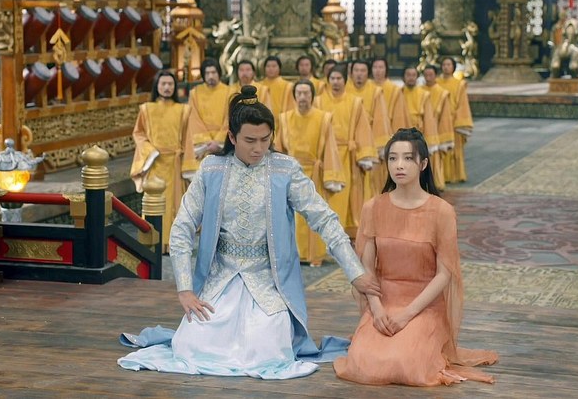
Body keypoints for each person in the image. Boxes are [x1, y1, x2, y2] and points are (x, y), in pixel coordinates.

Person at [119, 86, 381, 379]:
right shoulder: (212, 169)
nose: (258, 148)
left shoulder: (284, 170)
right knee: (193, 345)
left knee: (267, 349)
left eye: (265, 140)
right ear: (232, 137)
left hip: (268, 281)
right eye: (250, 140)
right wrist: (185, 290)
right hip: (221, 278)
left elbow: (325, 220)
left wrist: (355, 272)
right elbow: (181, 230)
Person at [334, 128, 498, 386]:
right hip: (384, 301)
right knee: (363, 362)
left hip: (424, 305)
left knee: (406, 362)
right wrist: (376, 309)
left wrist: (407, 314)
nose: (399, 165)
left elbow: (444, 274)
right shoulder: (373, 207)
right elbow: (367, 269)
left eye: (408, 158)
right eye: (393, 158)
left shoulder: (441, 211)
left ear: (423, 164)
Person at [275, 79, 345, 267]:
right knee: (292, 217)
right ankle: (294, 255)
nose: (302, 97)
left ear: (312, 96)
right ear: (294, 96)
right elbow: (279, 149)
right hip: (291, 175)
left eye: (306, 93)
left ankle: (316, 255)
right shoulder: (285, 118)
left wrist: (330, 177)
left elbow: (330, 148)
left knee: (314, 214)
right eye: (299, 93)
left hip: (314, 174)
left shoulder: (323, 118)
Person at [130, 70, 191, 251]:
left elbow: (188, 139)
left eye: (170, 84)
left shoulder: (183, 110)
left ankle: (173, 244)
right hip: (154, 163)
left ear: (175, 87)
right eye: (163, 84)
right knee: (154, 203)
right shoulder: (146, 109)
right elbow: (139, 134)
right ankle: (152, 243)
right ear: (156, 86)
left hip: (174, 163)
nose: (166, 87)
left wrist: (188, 165)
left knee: (174, 206)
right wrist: (150, 152)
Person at [315, 65, 377, 237]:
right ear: (328, 80)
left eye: (339, 78)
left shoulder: (355, 102)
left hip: (347, 157)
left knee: (349, 196)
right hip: (326, 157)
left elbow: (362, 128)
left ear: (345, 80)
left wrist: (364, 155)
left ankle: (346, 231)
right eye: (332, 78)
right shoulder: (318, 101)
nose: (335, 82)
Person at [347, 59, 391, 200]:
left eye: (363, 71)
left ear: (368, 73)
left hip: (369, 143)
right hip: (348, 145)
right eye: (356, 70)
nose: (359, 74)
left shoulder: (376, 92)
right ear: (351, 73)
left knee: (370, 184)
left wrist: (377, 148)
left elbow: (380, 120)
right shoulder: (345, 90)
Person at [182, 58, 232, 176]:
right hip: (203, 146)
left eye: (213, 72)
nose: (211, 76)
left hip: (223, 144)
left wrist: (218, 142)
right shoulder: (195, 93)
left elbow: (230, 119)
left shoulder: (229, 92)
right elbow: (193, 118)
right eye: (207, 73)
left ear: (219, 73)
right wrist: (206, 143)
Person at [436, 57, 473, 184]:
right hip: (439, 121)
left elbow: (462, 104)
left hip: (453, 121)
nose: (446, 67)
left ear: (453, 67)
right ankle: (441, 176)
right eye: (444, 64)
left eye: (449, 65)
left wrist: (458, 121)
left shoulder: (459, 84)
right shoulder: (436, 83)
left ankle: (456, 175)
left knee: (454, 149)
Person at [422, 65, 454, 191]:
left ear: (435, 75)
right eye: (426, 75)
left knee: (434, 158)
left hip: (434, 130)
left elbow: (445, 117)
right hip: (420, 129)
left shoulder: (441, 93)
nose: (428, 77)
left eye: (431, 75)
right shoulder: (420, 91)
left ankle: (435, 182)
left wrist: (444, 136)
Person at [400, 66, 440, 161]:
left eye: (414, 75)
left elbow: (429, 119)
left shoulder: (424, 94)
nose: (411, 78)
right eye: (408, 75)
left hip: (418, 135)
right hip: (401, 134)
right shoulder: (398, 94)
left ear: (417, 77)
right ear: (403, 77)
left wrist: (430, 142)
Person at [371, 58, 410, 132]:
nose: (377, 70)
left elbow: (399, 116)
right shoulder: (367, 87)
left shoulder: (395, 90)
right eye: (375, 67)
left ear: (386, 69)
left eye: (381, 67)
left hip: (389, 129)